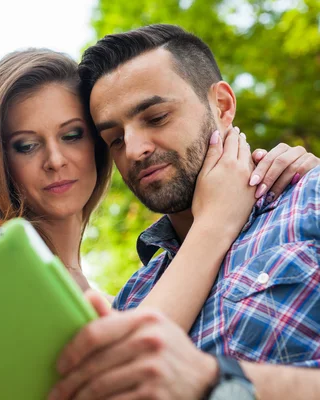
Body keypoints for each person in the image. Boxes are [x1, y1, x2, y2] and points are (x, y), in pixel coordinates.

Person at [0, 48, 317, 332]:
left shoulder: (125, 296)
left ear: (98, 143)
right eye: (26, 145)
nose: (55, 160)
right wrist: (216, 220)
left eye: (72, 135)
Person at [50, 24, 320, 400]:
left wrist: (218, 381)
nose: (134, 149)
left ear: (222, 106)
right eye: (115, 139)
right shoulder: (133, 298)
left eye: (156, 117)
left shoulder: (311, 197)